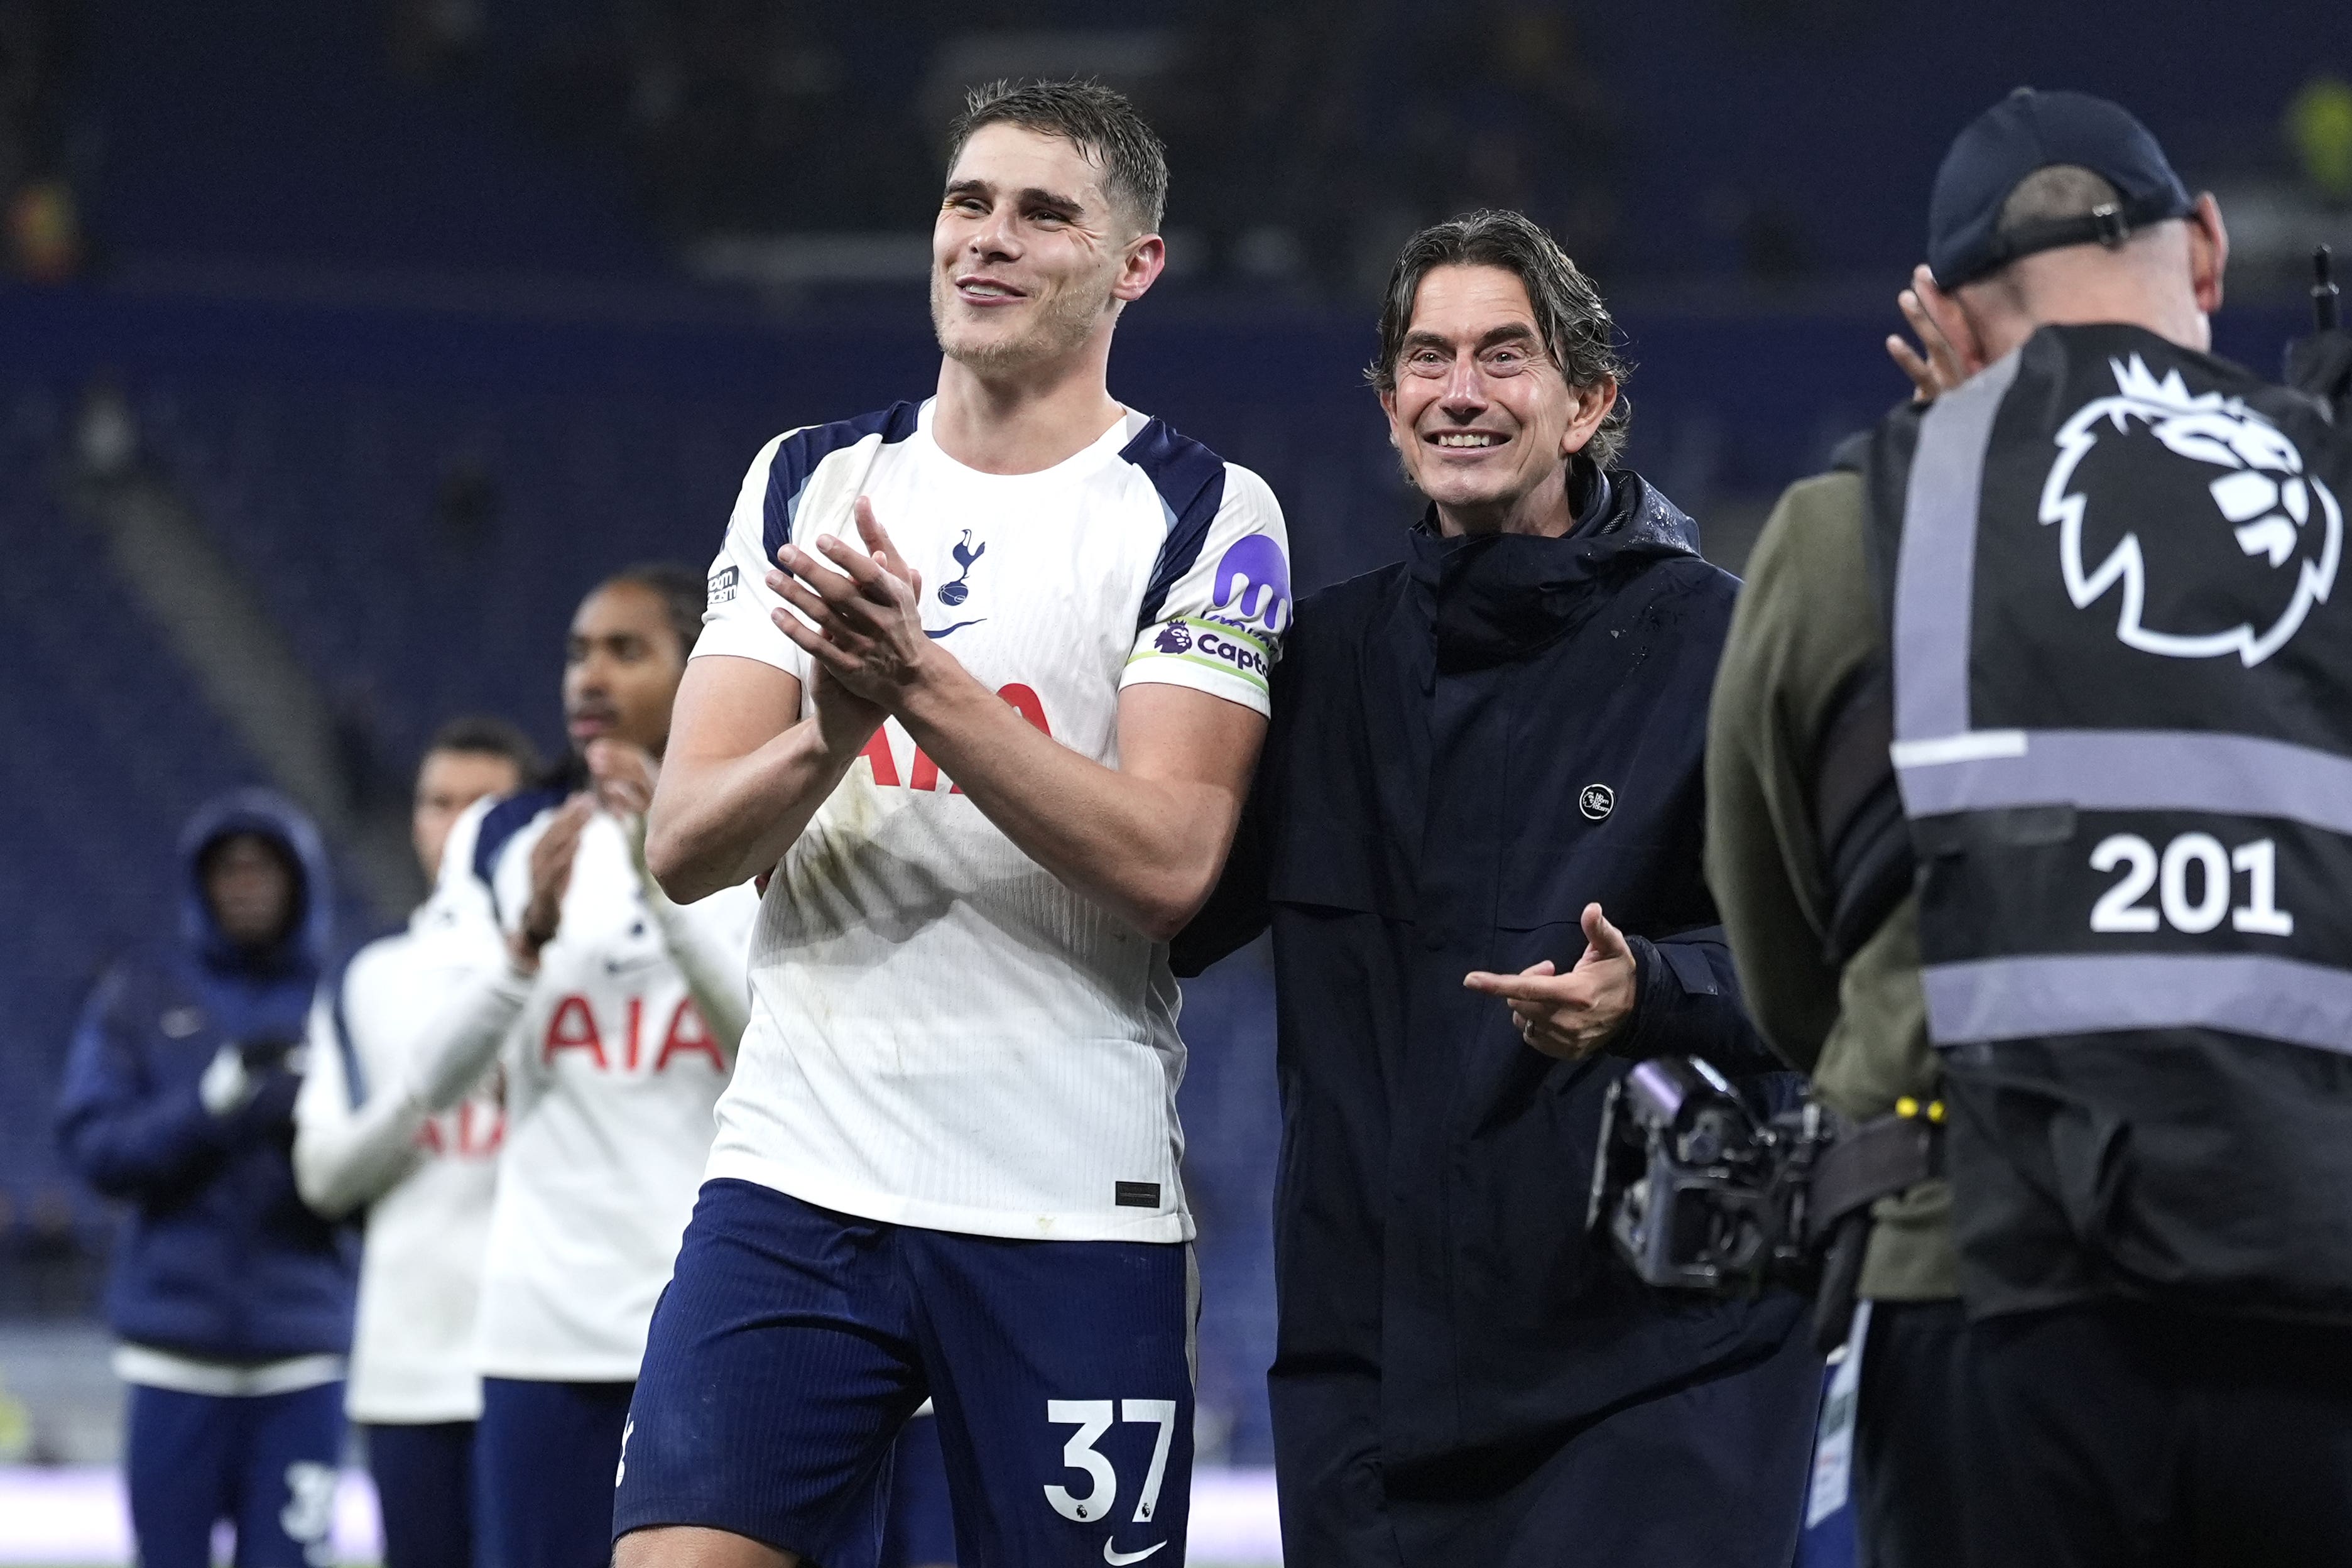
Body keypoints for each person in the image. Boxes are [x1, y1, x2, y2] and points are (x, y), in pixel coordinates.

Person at [618, 78, 1288, 1568]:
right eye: (964, 203)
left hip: (1064, 1195)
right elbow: (684, 842)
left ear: (1134, 263)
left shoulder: (1203, 510)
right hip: (795, 1174)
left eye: (1042, 211)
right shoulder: (809, 478)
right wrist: (831, 732)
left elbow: (1173, 861)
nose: (984, 239)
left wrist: (915, 683)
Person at [1707, 88, 2352, 1567]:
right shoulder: (2324, 481)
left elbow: (1782, 964)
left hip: (1977, 1274)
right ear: (2200, 248)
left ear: (1939, 310)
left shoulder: (1849, 522)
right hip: (2315, 1278)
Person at [1172, 209, 1821, 1566]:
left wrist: (1656, 987)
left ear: (1589, 402)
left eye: (1504, 357)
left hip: (1655, 1379)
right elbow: (1157, 902)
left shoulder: (1721, 641)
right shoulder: (1323, 663)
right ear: (1391, 402)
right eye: (1427, 358)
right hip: (1368, 1399)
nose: (1460, 391)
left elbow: (1842, 967)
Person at [402, 566, 760, 1568]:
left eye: (625, 650)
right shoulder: (504, 838)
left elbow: (765, 1053)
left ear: (695, 669)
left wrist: (661, 886)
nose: (589, 675)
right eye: (576, 653)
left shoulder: (766, 816)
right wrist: (524, 949)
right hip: (539, 1326)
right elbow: (429, 1083)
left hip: (706, 1319)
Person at [56, 789, 352, 1568]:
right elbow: (96, 1152)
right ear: (201, 883)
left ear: (300, 882)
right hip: (172, 1360)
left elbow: (380, 1174)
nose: (246, 884)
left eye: (264, 868)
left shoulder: (344, 999)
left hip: (303, 1358)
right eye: (228, 869)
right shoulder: (142, 993)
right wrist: (212, 1105)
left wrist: (313, 1124)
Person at [290, 716, 542, 1568]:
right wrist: (423, 1096)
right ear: (414, 819)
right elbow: (323, 1178)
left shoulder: (584, 967)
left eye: (487, 804)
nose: (461, 825)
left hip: (556, 1357)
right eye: (440, 802)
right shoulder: (370, 980)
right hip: (408, 1370)